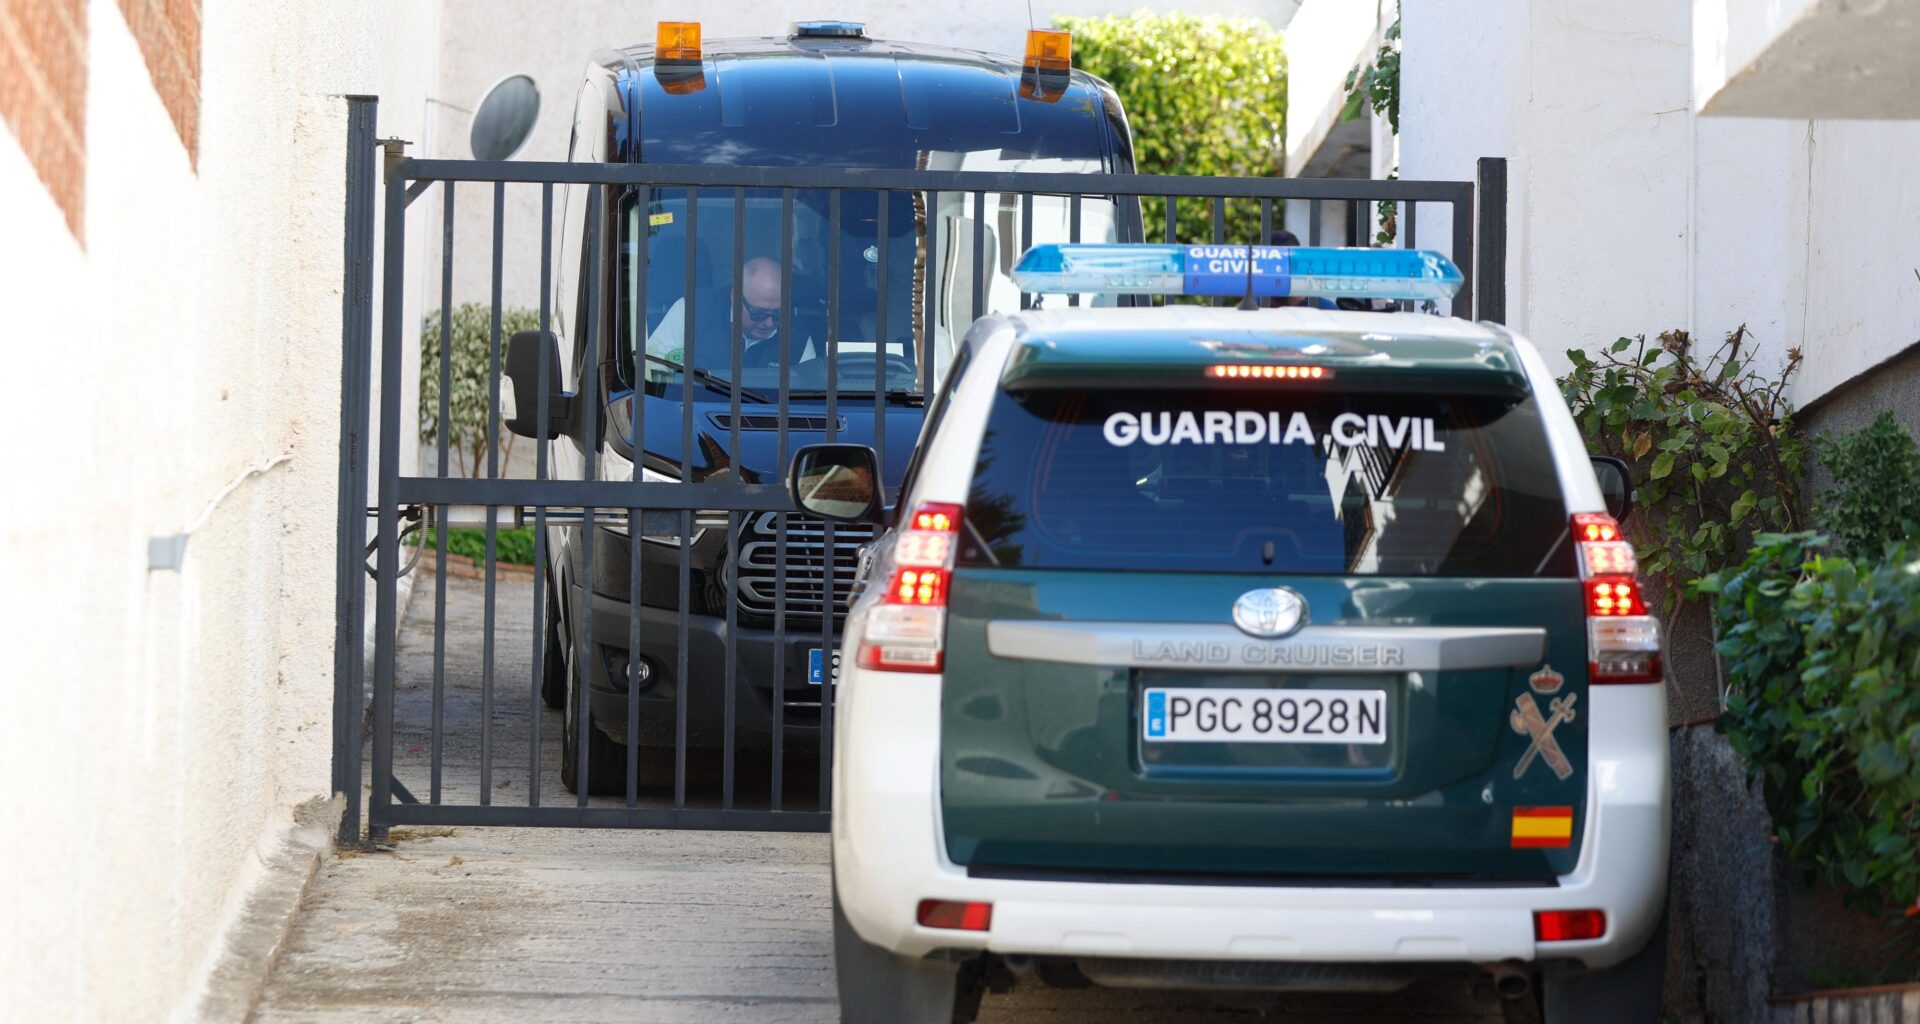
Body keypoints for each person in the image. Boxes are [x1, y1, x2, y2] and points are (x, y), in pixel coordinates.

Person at [644, 256, 813, 376]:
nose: (769, 323)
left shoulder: (797, 335)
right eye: (759, 313)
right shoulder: (693, 311)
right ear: (735, 297)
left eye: (778, 313)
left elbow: (807, 393)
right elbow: (654, 369)